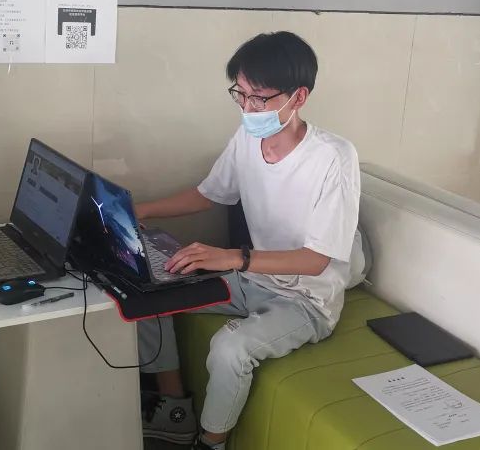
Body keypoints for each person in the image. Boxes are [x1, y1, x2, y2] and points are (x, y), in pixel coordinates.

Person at [135, 32, 361, 450]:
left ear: (299, 97)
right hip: (252, 280)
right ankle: (174, 409)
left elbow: (316, 260)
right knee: (147, 291)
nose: (247, 108)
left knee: (229, 348)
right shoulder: (247, 138)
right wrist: (142, 210)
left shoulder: (334, 158)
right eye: (240, 94)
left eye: (259, 98)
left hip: (306, 300)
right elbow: (210, 193)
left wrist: (233, 258)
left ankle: (211, 443)